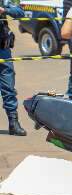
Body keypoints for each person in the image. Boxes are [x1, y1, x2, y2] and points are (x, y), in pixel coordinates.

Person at [0, 0, 26, 136]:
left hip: (3, 51)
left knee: (8, 88)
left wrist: (4, 10)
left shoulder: (4, 2)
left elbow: (20, 13)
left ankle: (13, 123)